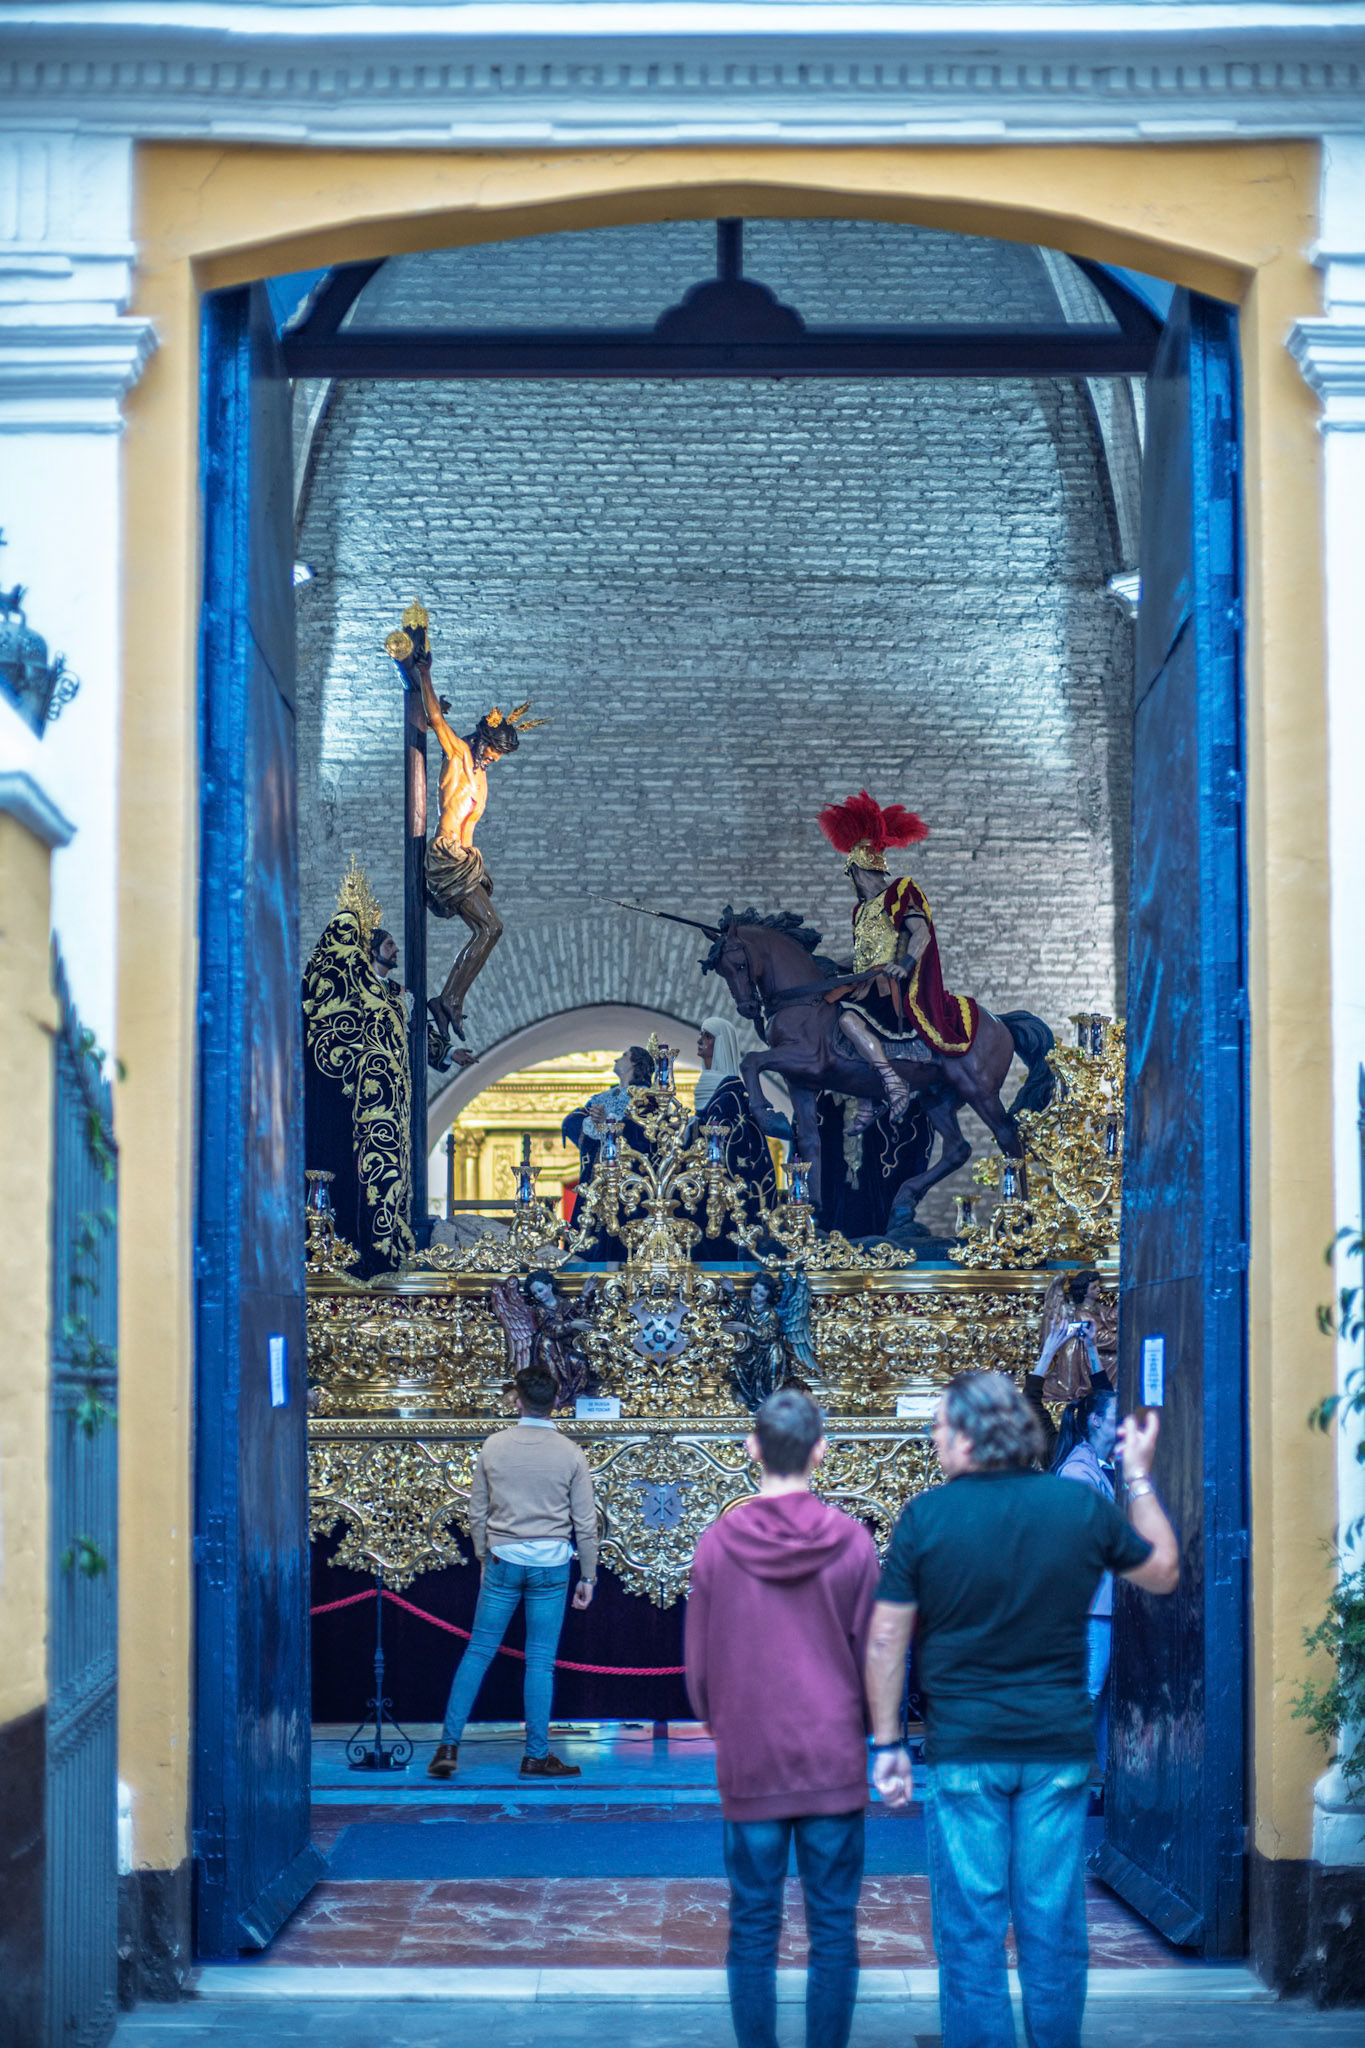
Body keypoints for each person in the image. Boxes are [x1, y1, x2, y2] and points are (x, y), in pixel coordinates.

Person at [864, 1370, 1179, 2048]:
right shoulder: (1074, 1506)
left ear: (972, 1434)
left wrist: (888, 1743)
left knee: (971, 1928)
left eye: (941, 1427)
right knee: (1051, 1923)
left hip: (967, 1748)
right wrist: (1140, 1476)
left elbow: (887, 1635)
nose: (933, 1439)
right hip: (1054, 1750)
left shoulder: (928, 1515)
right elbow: (1160, 1571)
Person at [686, 1388, 880, 2048]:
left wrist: (733, 1727)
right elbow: (872, 1656)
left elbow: (698, 1675)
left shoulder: (716, 1545)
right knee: (832, 1926)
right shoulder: (853, 1543)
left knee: (751, 1926)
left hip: (752, 1759)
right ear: (821, 1451)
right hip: (831, 1757)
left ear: (752, 1449)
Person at [428, 1362, 597, 1782]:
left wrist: (485, 1558)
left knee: (479, 1651)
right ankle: (536, 1756)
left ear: (517, 1400)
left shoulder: (494, 1446)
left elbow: (477, 1512)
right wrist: (588, 1576)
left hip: (504, 1558)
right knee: (540, 1662)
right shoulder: (570, 1452)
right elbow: (586, 1523)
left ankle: (448, 1746)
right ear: (556, 1401)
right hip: (552, 1564)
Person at [386, 604, 548, 1044]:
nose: (493, 759)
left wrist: (474, 862)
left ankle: (451, 998)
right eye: (492, 750)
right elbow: (435, 717)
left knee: (489, 929)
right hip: (443, 855)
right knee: (491, 928)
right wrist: (424, 675)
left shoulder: (482, 779)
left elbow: (471, 828)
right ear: (482, 736)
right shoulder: (459, 754)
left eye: (499, 756)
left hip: (464, 858)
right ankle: (448, 999)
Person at [816, 790, 979, 1134]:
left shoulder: (901, 891)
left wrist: (904, 964)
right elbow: (861, 956)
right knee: (831, 1017)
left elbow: (920, 934)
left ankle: (892, 1084)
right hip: (868, 982)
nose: (854, 885)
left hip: (895, 984)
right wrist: (829, 965)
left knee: (847, 1019)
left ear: (859, 871)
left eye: (853, 877)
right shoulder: (860, 911)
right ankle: (866, 1096)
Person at [1051, 1382, 1120, 1780]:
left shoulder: (1093, 1465)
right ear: (1095, 1421)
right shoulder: (1079, 1472)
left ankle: (1110, 1781)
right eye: (1117, 1416)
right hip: (1094, 1601)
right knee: (1090, 1692)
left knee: (1103, 1696)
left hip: (1101, 1598)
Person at [693, 1013, 778, 1257]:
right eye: (701, 1035)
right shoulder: (712, 1085)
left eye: (707, 1036)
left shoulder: (732, 1091)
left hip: (727, 1180)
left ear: (720, 1043)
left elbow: (735, 1137)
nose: (700, 1041)